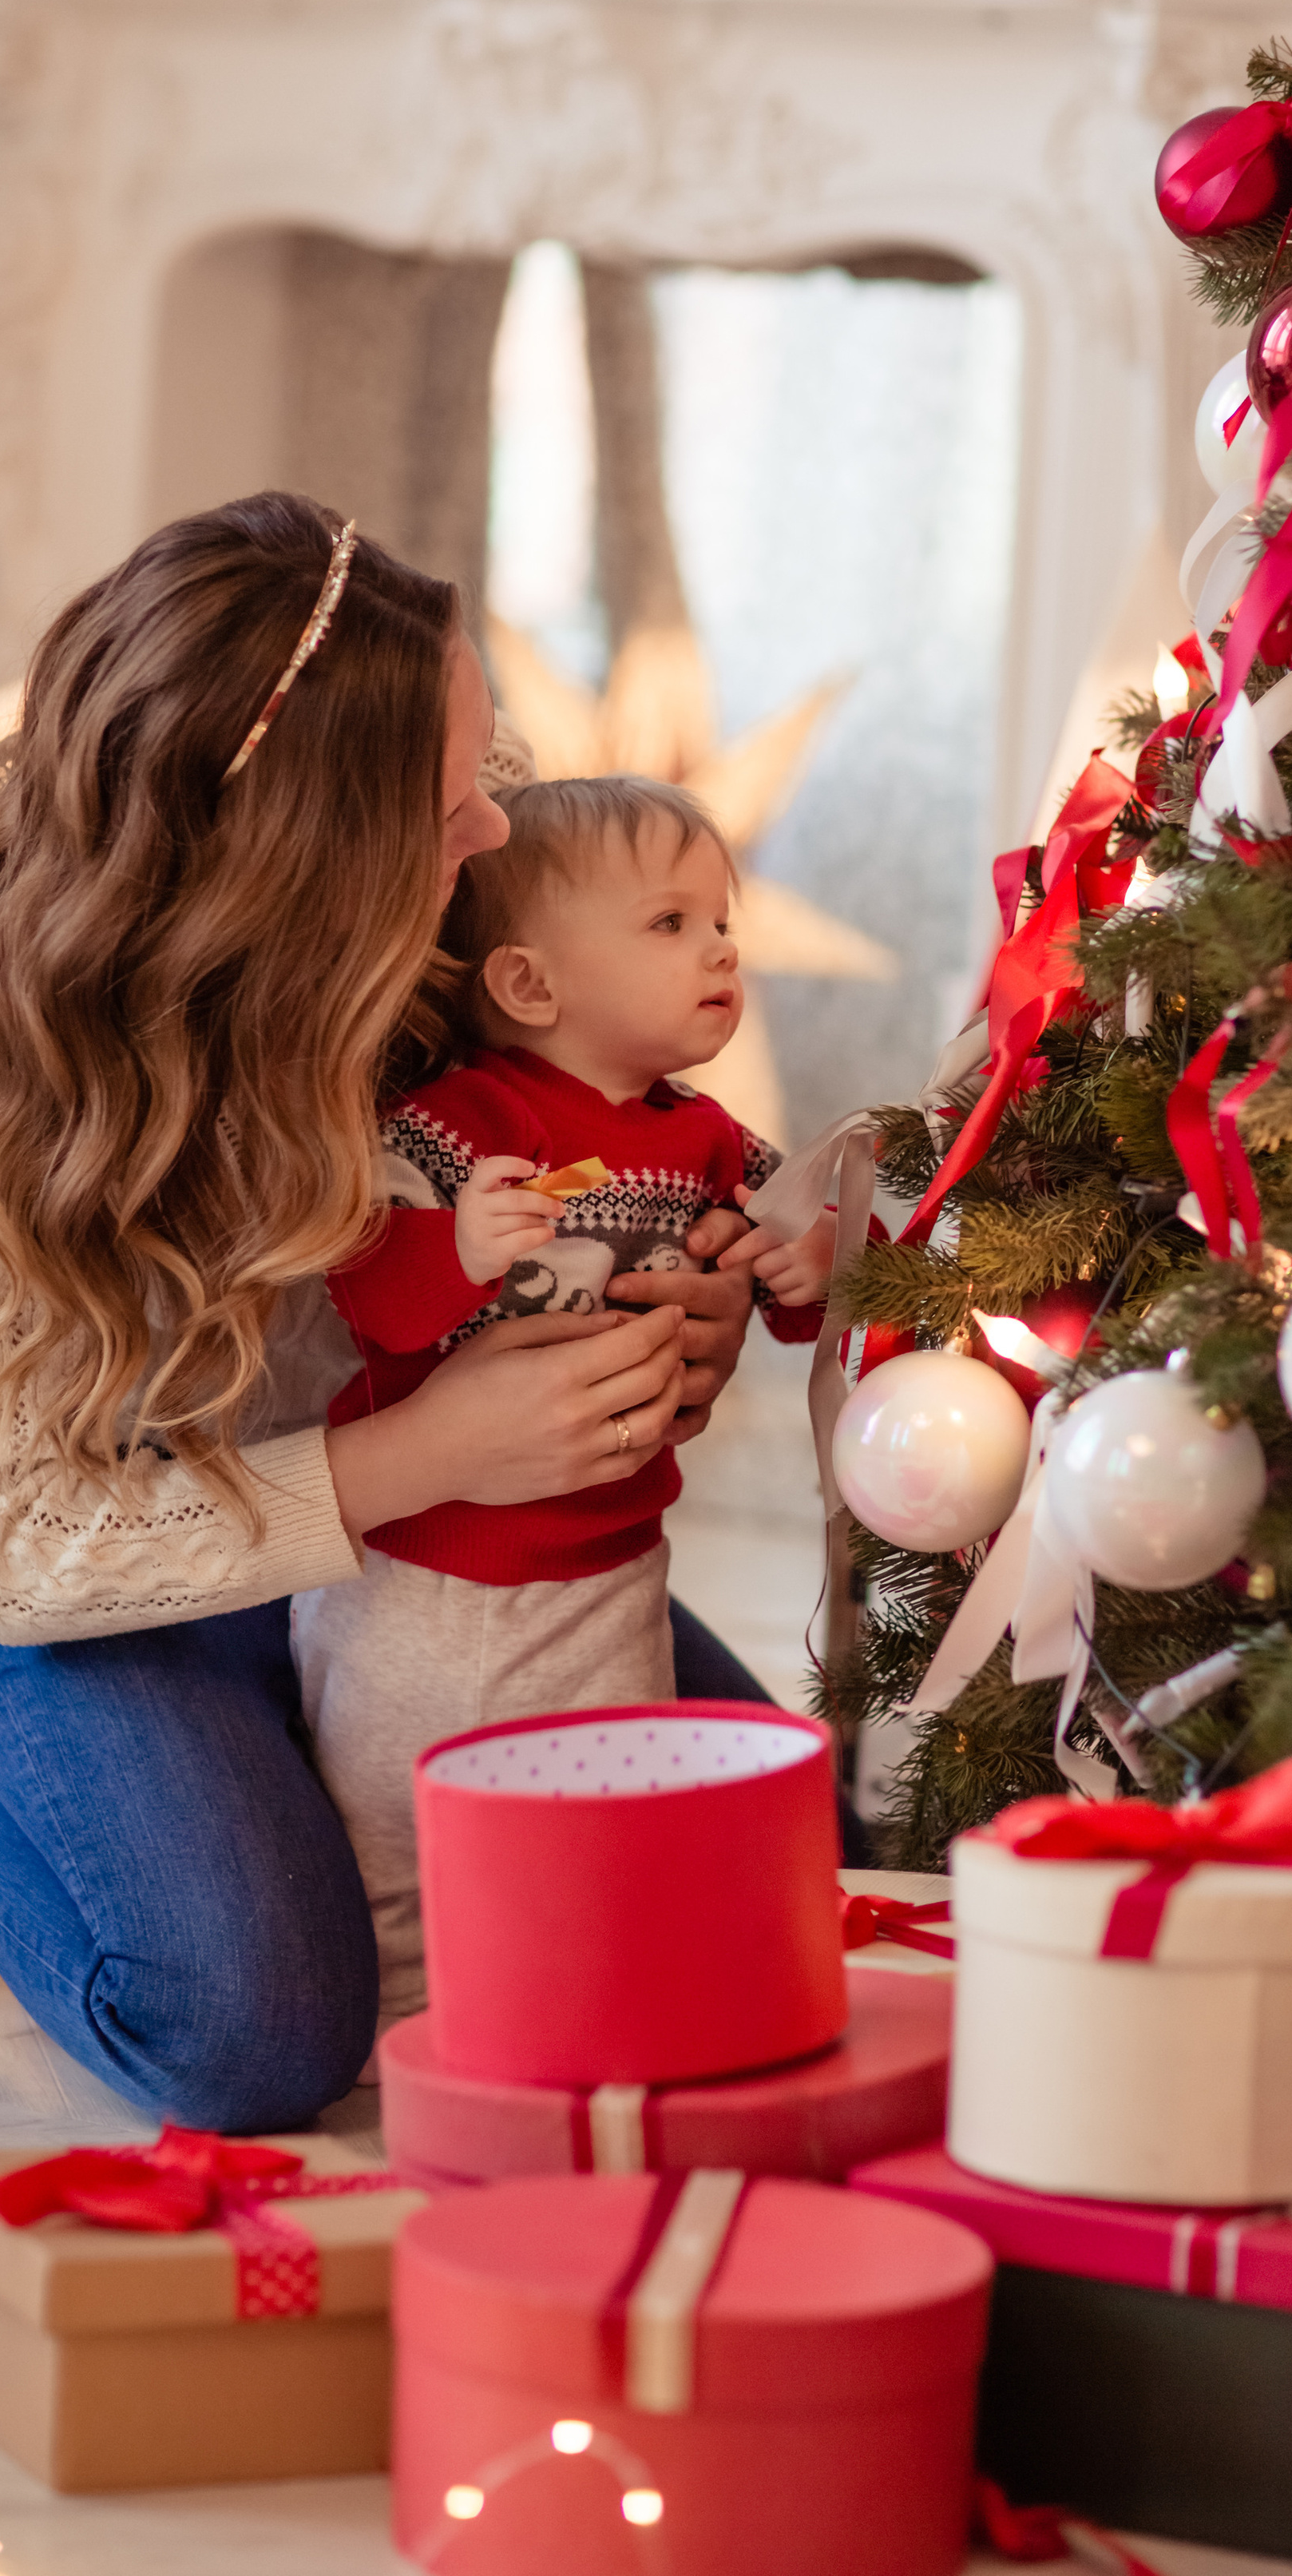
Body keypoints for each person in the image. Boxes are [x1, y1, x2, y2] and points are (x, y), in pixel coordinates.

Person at [0, 498, 769, 2132]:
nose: (494, 828)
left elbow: (557, 1154)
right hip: (67, 1519)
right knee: (256, 2027)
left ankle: (262, 1730)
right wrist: (431, 1455)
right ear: (303, 861)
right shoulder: (4, 1086)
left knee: (765, 1862)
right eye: (453, 801)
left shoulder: (427, 908)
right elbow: (19, 1543)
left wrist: (664, 1320)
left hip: (371, 1483)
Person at [301, 774, 837, 2021]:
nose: (722, 948)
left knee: (600, 1821)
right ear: (531, 985)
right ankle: (406, 2033)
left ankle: (568, 2015)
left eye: (721, 922)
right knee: (389, 1832)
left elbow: (793, 1268)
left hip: (611, 1579)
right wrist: (455, 1248)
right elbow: (365, 1297)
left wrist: (806, 1265)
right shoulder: (452, 1127)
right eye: (671, 924)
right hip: (419, 1580)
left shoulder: (711, 1140)